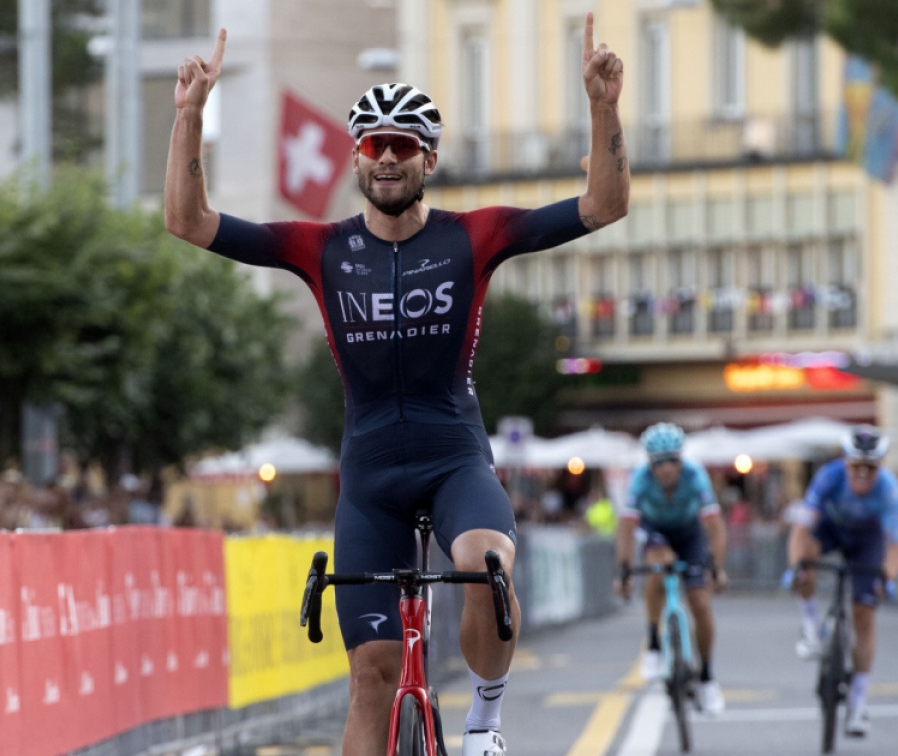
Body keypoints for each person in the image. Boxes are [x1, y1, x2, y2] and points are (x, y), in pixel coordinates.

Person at [164, 17, 628, 756]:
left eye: (402, 145)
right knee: (371, 678)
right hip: (370, 481)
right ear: (356, 157)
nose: (386, 156)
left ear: (429, 158)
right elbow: (187, 222)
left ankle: (484, 718)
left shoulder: (473, 235)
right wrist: (191, 115)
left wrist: (603, 106)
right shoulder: (319, 247)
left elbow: (603, 205)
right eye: (373, 144)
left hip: (454, 461)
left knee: (484, 565)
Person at [786, 425, 898, 738]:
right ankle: (810, 627)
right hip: (830, 528)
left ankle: (858, 704)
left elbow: (895, 545)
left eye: (871, 468)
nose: (863, 474)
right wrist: (796, 566)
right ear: (845, 462)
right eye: (856, 467)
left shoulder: (890, 489)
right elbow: (801, 529)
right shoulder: (828, 477)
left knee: (864, 615)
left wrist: (888, 577)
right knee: (806, 559)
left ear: (880, 466)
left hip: (867, 540)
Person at [613, 422, 728, 715]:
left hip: (690, 534)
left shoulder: (696, 476)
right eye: (659, 462)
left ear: (681, 458)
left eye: (672, 460)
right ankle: (653, 643)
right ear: (650, 462)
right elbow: (626, 529)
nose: (666, 468)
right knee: (659, 563)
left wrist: (717, 567)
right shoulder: (639, 479)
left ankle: (707, 678)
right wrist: (624, 572)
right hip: (655, 531)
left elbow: (715, 526)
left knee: (701, 603)